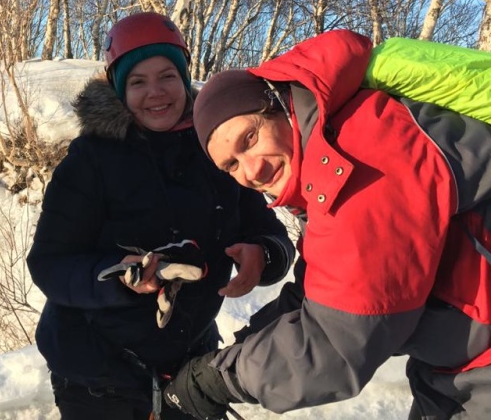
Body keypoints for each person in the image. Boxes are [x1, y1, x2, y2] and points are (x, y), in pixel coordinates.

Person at [163, 29, 491, 419]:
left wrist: (218, 380)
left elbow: (337, 343)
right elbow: (319, 286)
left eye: (249, 138)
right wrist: (245, 345)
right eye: (230, 165)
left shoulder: (364, 149)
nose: (252, 170)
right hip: (453, 366)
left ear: (280, 107)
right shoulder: (328, 154)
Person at [26, 12, 294, 420]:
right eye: (138, 81)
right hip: (96, 376)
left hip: (190, 368)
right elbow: (49, 263)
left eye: (167, 76)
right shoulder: (91, 159)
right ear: (120, 88)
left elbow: (271, 234)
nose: (156, 93)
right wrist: (120, 276)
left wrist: (263, 255)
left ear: (184, 77)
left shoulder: (216, 147)